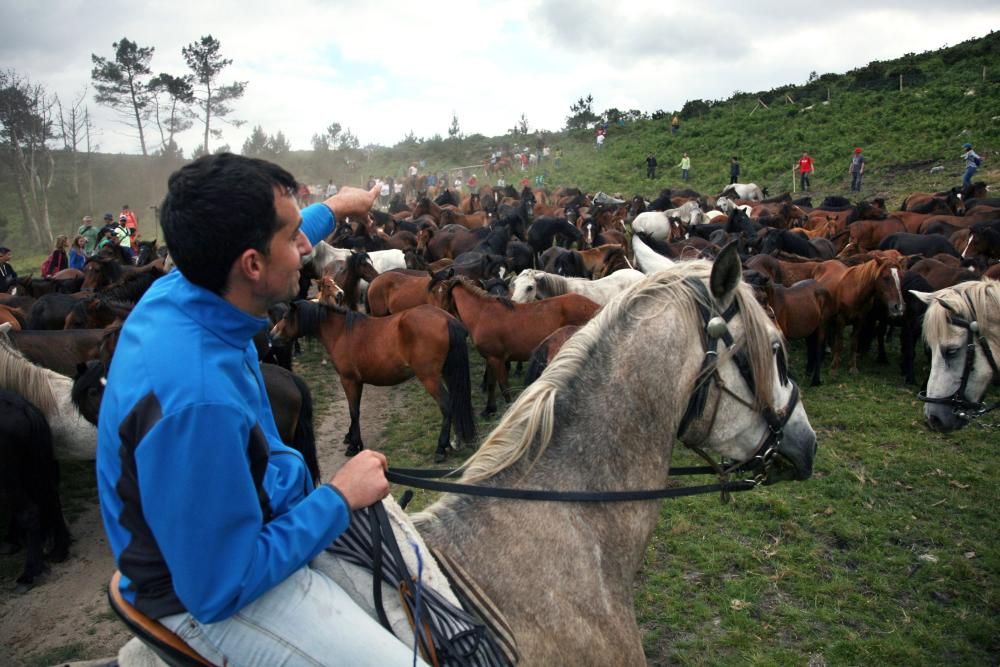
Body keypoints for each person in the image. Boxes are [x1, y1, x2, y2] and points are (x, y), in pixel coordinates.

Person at [95, 153, 416, 666]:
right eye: (293, 239)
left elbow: (287, 233)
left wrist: (337, 206)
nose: (307, 247)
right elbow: (220, 585)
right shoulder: (198, 402)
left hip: (253, 512)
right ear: (252, 264)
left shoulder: (189, 287)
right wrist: (338, 496)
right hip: (204, 597)